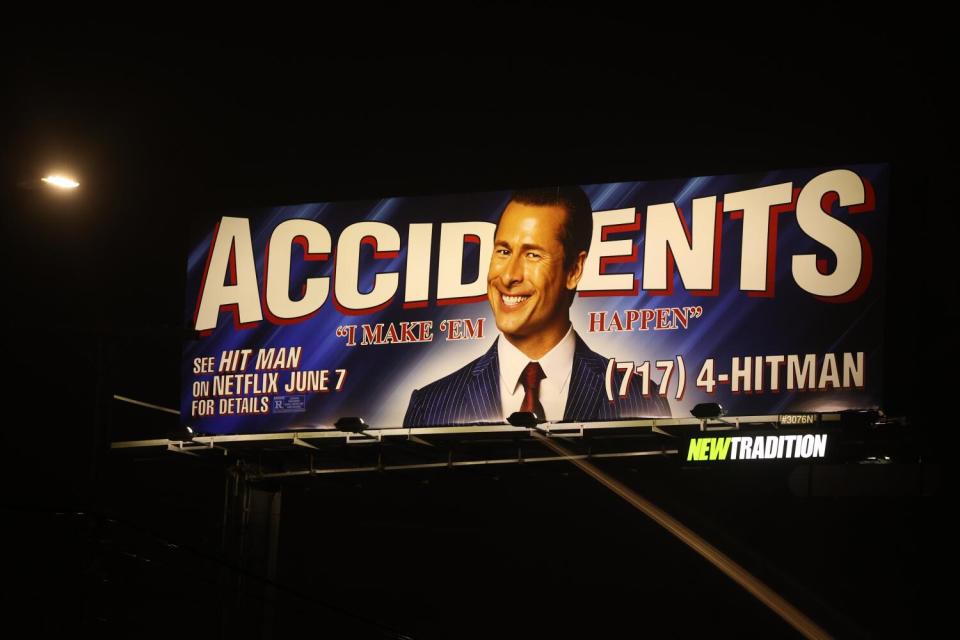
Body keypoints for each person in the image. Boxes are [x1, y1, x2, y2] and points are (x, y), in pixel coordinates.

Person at [403, 186, 670, 427]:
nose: (508, 276)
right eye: (504, 251)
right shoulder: (430, 407)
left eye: (532, 255)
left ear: (574, 270)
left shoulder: (640, 397)